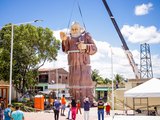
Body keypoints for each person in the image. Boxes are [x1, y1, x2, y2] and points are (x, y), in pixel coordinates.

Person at [60, 21, 97, 104]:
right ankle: (74, 101)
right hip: (72, 66)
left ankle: (88, 101)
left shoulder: (86, 36)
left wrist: (85, 46)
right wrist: (63, 41)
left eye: (76, 28)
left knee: (85, 82)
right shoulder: (68, 38)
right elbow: (65, 50)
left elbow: (94, 49)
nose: (74, 30)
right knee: (73, 83)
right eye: (72, 29)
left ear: (80, 29)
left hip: (84, 65)